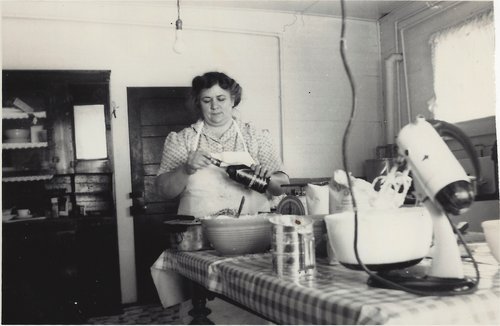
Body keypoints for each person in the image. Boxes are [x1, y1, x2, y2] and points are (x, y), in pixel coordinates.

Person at [155, 71, 289, 217]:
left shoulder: (256, 136)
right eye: (207, 100)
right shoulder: (182, 139)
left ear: (232, 100)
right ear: (199, 104)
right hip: (199, 230)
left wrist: (268, 178)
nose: (214, 106)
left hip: (251, 228)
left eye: (221, 99)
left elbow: (283, 187)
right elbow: (163, 191)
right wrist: (185, 169)